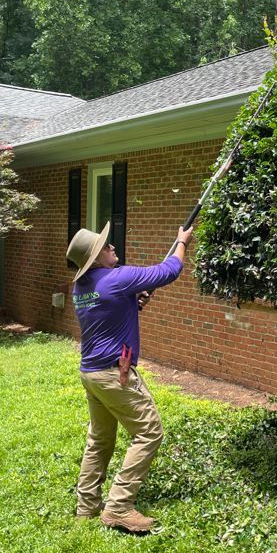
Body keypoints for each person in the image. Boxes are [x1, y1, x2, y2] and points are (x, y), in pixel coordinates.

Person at [66, 221, 193, 533]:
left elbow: (107, 310)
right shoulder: (119, 278)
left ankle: (87, 505)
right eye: (106, 247)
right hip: (114, 374)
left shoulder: (80, 287)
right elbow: (169, 270)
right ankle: (119, 507)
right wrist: (182, 241)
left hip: (92, 374)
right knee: (149, 433)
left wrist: (132, 303)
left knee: (100, 438)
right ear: (96, 258)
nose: (113, 249)